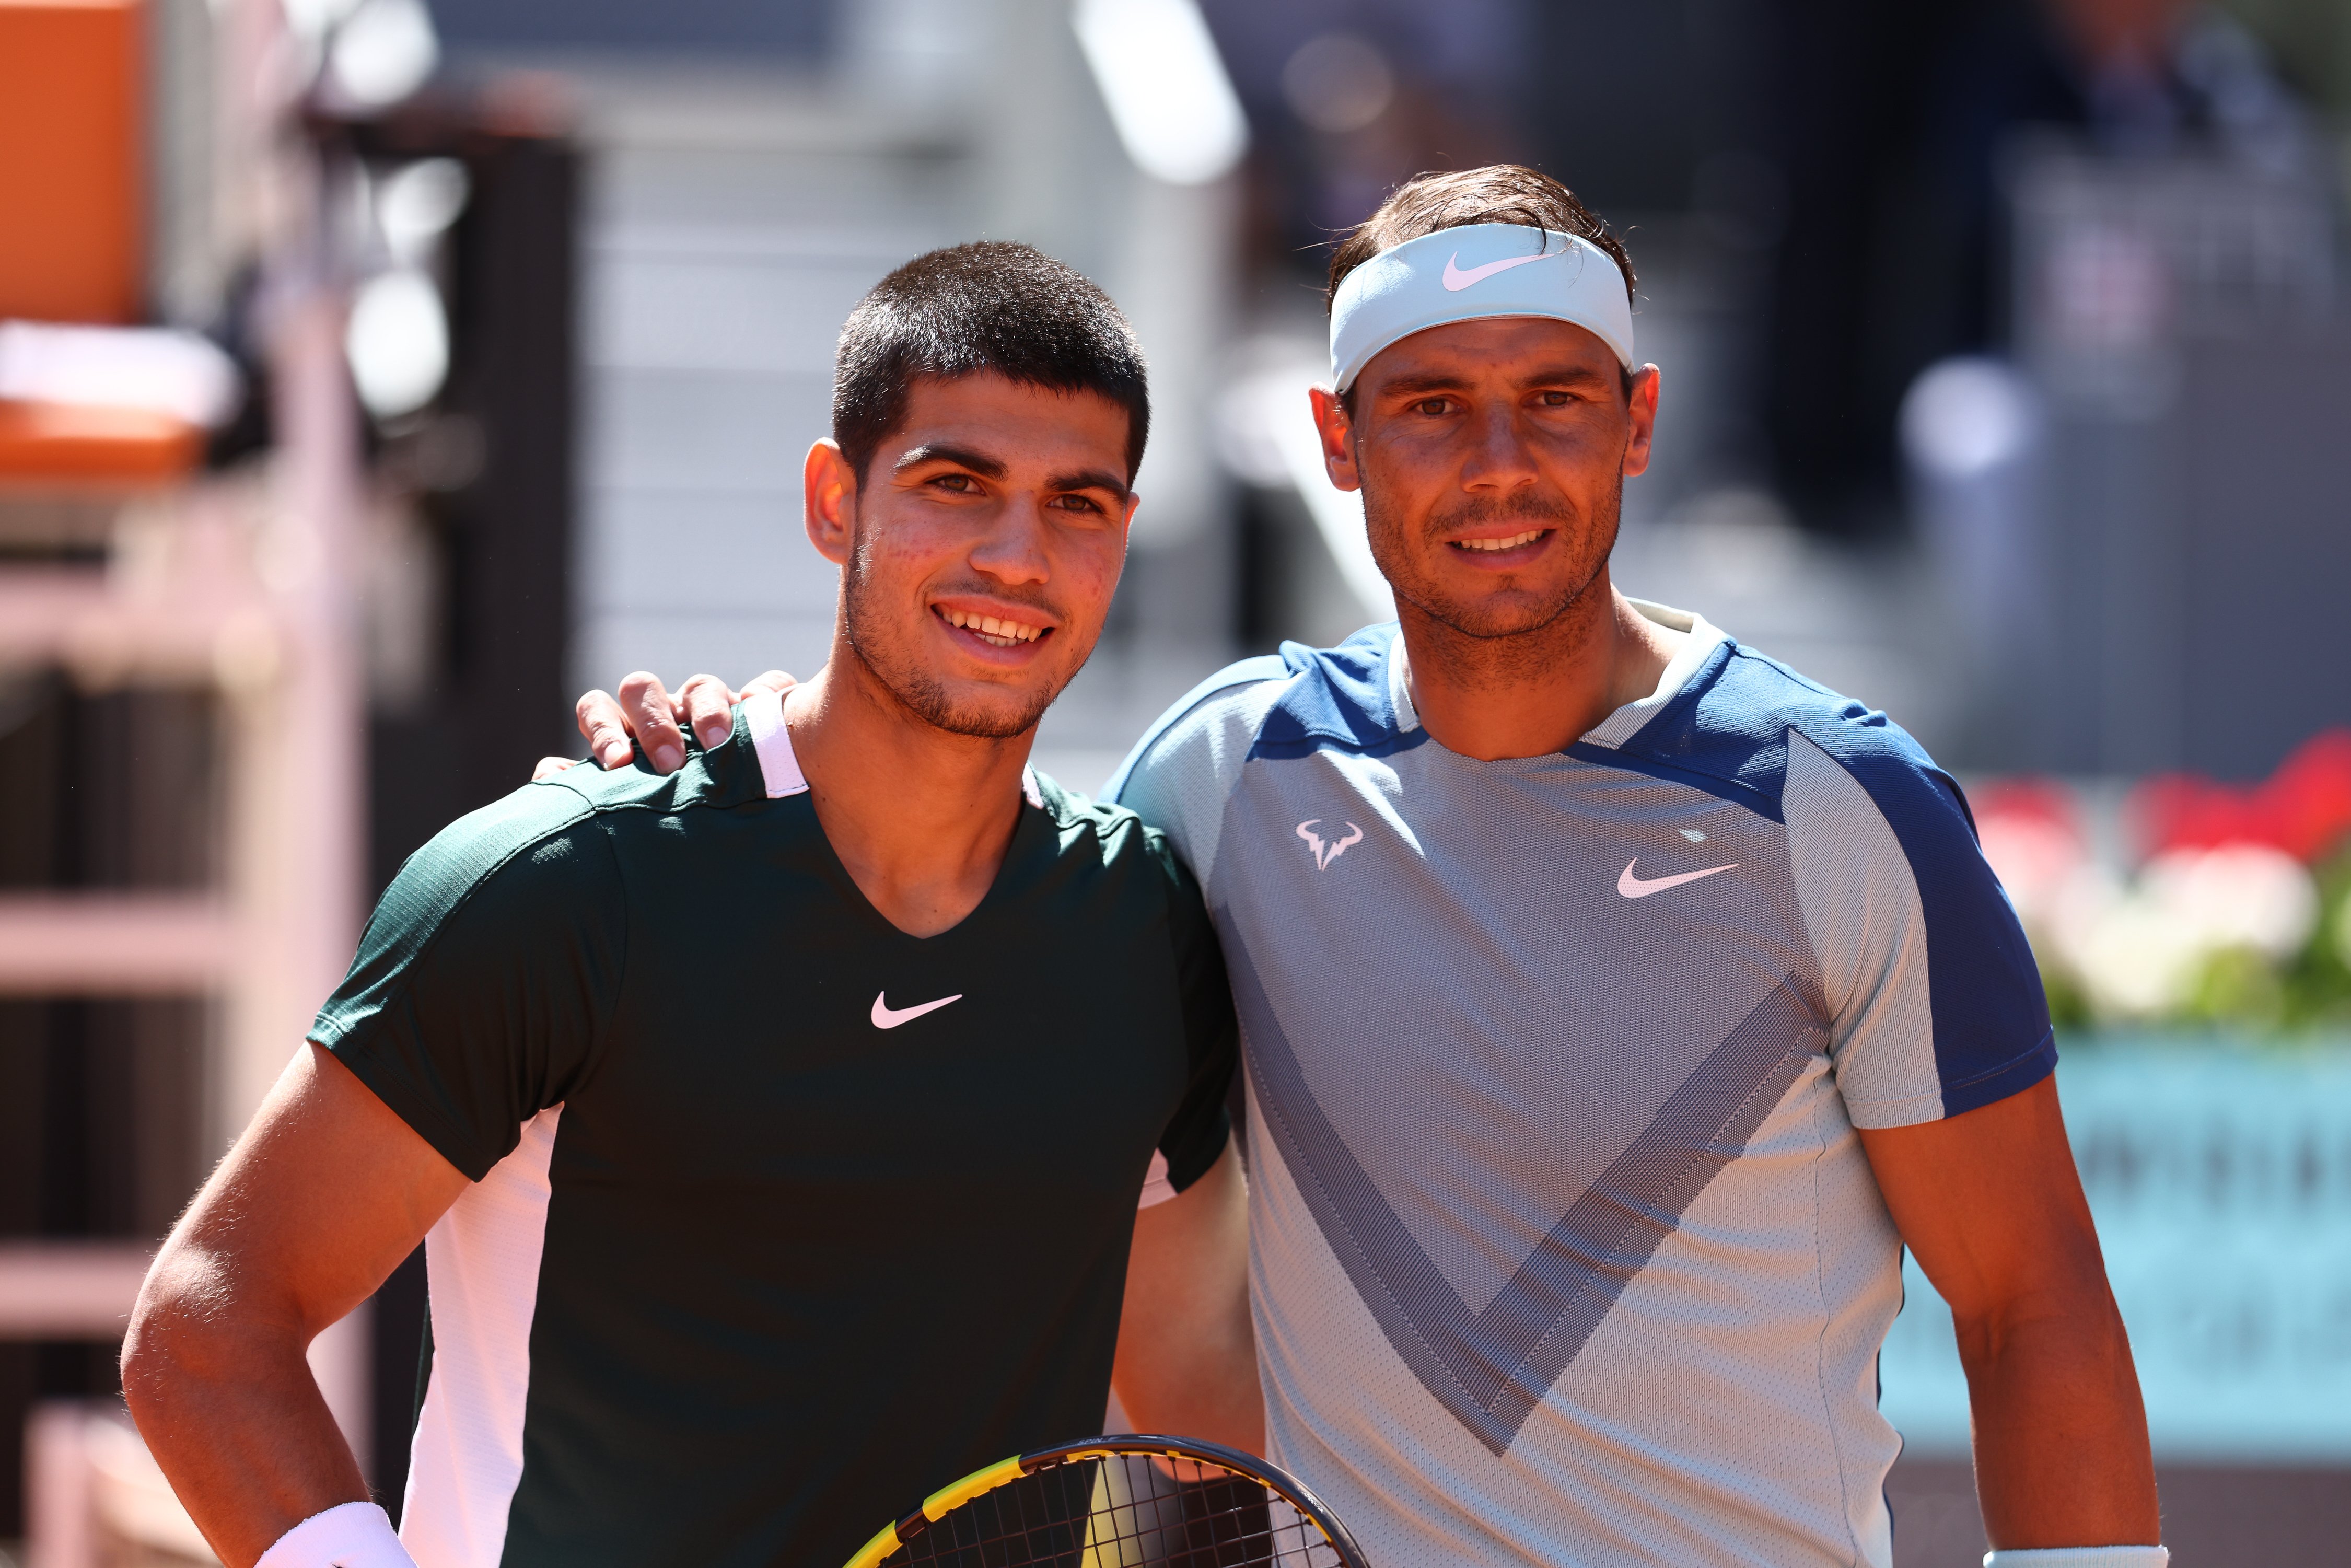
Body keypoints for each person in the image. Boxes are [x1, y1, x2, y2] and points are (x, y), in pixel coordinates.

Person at [574, 168, 2165, 1567]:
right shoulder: (1217, 777)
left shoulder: (1838, 803)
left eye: (1554, 396)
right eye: (1427, 405)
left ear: (1638, 423)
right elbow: (940, 884)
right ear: (1335, 441)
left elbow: (2030, 1310)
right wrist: (738, 758)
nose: (1497, 461)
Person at [121, 242, 1258, 1568]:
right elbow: (207, 1328)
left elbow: (1205, 1392)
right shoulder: (561, 888)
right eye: (958, 485)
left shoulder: (1138, 927)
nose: (1018, 555)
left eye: (1080, 503)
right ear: (835, 500)